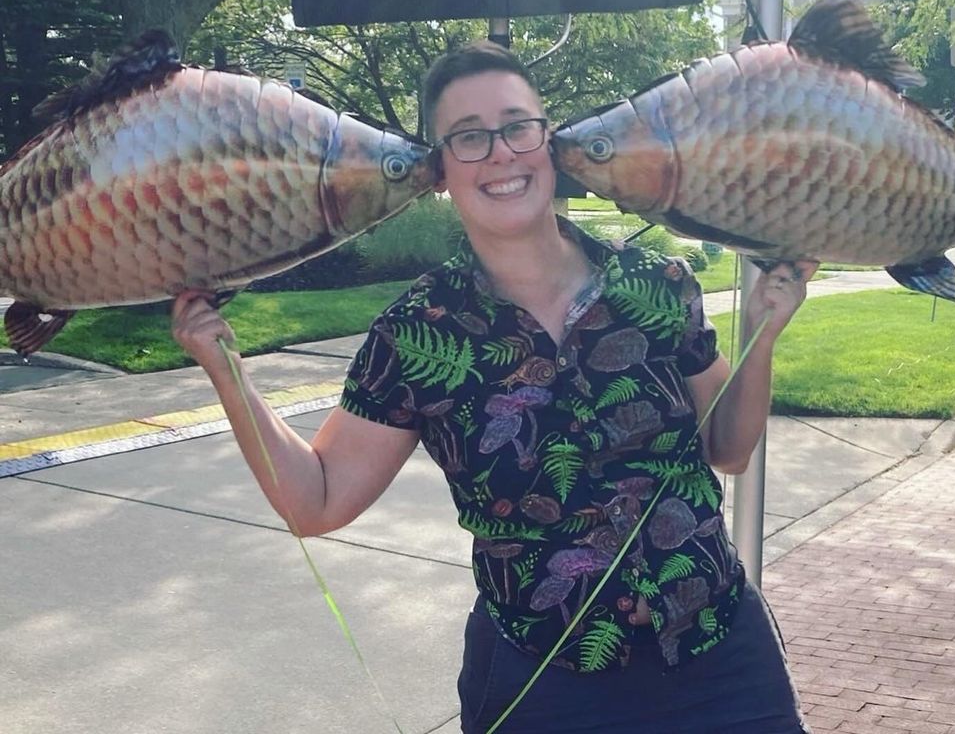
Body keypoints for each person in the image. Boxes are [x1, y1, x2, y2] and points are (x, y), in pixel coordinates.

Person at [172, 40, 818, 734]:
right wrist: (225, 368)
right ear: (440, 170)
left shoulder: (657, 286)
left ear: (550, 142)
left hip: (720, 659)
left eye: (517, 126)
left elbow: (727, 447)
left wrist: (762, 334)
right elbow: (319, 501)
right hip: (546, 686)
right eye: (469, 138)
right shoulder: (417, 333)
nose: (501, 153)